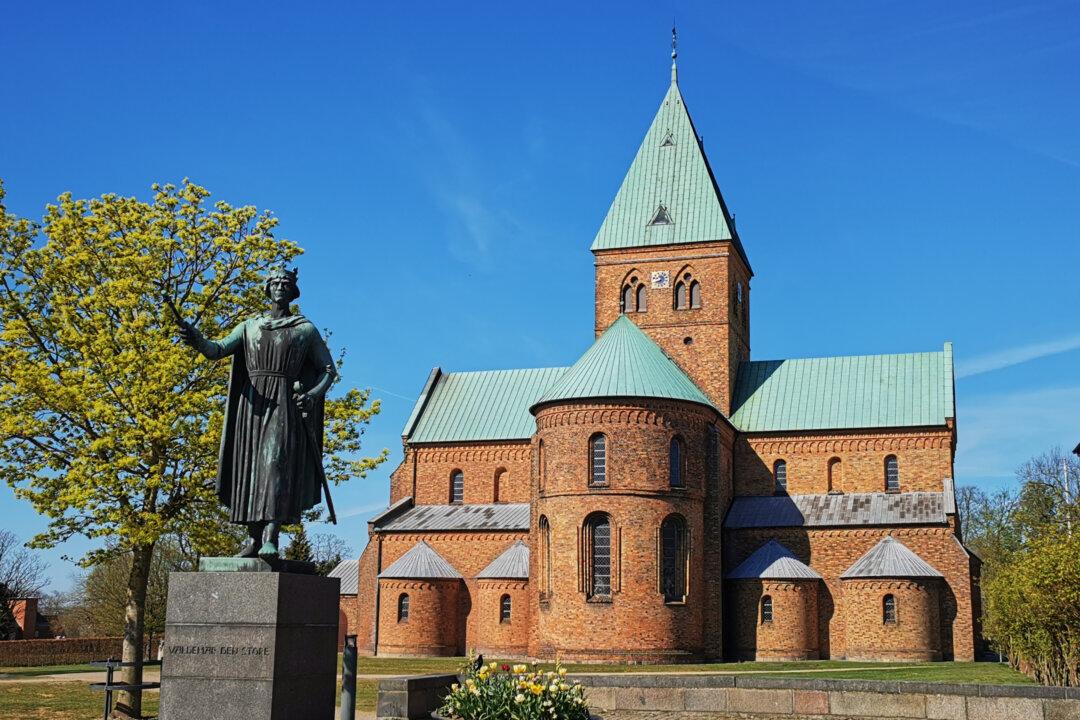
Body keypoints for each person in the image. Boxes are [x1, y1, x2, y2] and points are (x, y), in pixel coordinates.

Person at [174, 266, 336, 557]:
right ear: (267, 288)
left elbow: (328, 370)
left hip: (283, 402)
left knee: (276, 465)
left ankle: (272, 535)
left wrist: (311, 396)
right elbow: (218, 349)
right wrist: (197, 339)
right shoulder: (249, 326)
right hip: (252, 403)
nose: (279, 288)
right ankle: (252, 539)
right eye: (275, 283)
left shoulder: (304, 329)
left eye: (285, 284)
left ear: (293, 291)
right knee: (249, 469)